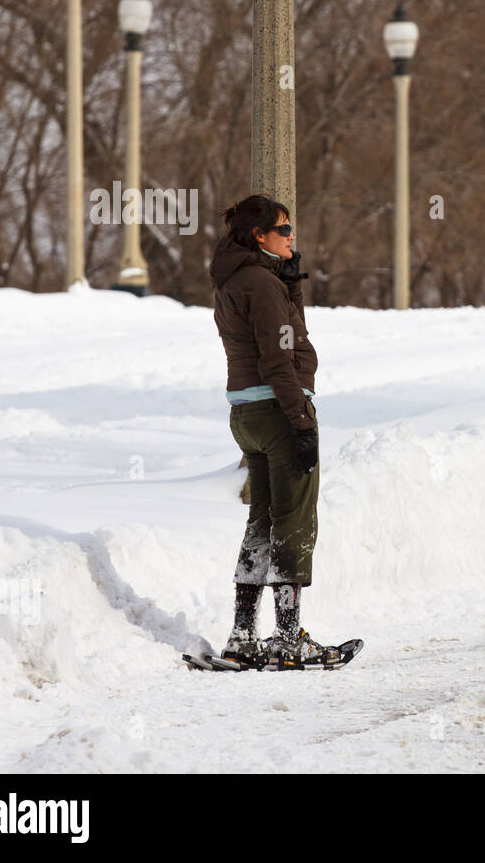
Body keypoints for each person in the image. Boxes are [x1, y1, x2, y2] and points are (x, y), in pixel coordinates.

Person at [208, 194, 338, 666]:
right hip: (280, 412)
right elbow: (279, 359)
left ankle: (243, 636)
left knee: (261, 520)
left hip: (246, 414)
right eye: (283, 230)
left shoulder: (235, 281)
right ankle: (288, 638)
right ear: (258, 236)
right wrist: (302, 423)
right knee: (295, 522)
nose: (292, 236)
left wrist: (292, 287)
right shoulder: (260, 285)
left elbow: (285, 334)